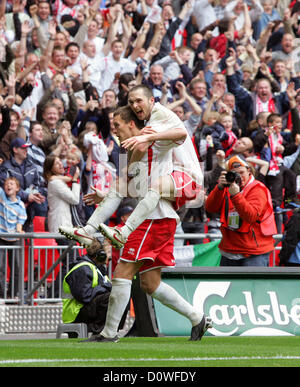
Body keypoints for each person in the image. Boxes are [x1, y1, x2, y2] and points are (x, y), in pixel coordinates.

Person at [60, 101, 211, 342]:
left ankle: (109, 334)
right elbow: (129, 187)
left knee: (122, 271)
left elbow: (178, 135)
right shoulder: (131, 151)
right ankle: (197, 318)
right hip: (157, 217)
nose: (115, 131)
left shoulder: (151, 139)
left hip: (156, 217)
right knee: (150, 284)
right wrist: (108, 195)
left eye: (117, 125)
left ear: (132, 124)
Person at [205, 154, 277, 266]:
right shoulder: (227, 187)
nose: (239, 177)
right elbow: (210, 208)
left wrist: (236, 195)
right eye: (234, 174)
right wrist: (219, 188)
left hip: (254, 252)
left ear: (249, 171)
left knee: (252, 284)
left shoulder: (258, 188)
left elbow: (251, 216)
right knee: (227, 284)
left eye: (242, 172)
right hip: (230, 249)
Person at [62, 237, 112, 336]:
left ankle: (110, 330)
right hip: (76, 314)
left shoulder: (99, 268)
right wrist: (105, 287)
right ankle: (98, 331)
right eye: (108, 252)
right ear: (100, 255)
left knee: (119, 296)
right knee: (109, 297)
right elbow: (84, 296)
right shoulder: (83, 269)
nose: (110, 256)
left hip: (86, 309)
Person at [0, 177, 27, 298]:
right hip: (2, 236)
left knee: (16, 267)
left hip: (14, 238)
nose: (8, 186)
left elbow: (19, 223)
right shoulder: (2, 198)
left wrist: (19, 230)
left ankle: (13, 294)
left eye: (11, 184)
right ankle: (1, 295)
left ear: (17, 188)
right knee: (0, 267)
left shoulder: (20, 204)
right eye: (6, 184)